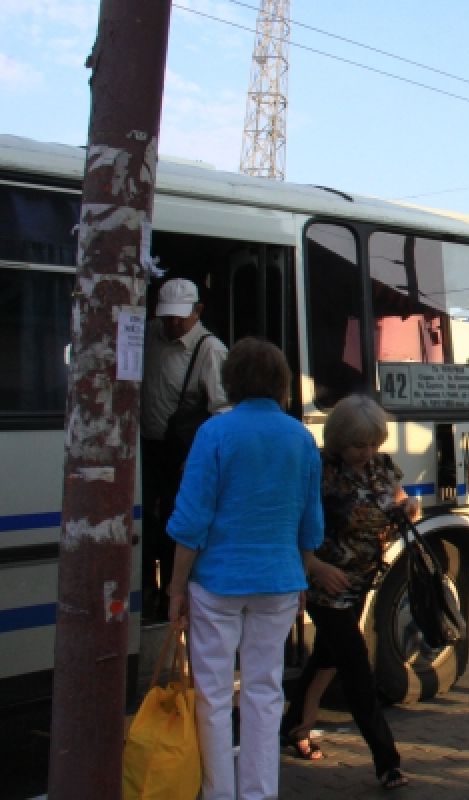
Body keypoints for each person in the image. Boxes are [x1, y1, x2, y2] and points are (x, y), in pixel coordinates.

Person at [166, 337, 324, 800]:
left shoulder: (214, 433)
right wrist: (302, 572)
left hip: (217, 581)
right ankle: (259, 792)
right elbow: (310, 521)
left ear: (230, 381)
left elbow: (191, 520)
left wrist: (175, 589)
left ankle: (218, 792)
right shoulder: (300, 437)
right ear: (281, 383)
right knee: (264, 690)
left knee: (213, 695)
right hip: (278, 581)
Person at [280, 394, 419, 791]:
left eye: (373, 444)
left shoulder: (382, 467)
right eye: (359, 445)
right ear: (339, 439)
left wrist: (409, 507)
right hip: (326, 585)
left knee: (327, 656)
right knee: (356, 667)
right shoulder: (320, 470)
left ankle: (295, 725)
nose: (367, 452)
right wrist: (314, 566)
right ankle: (387, 761)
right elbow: (293, 523)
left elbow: (399, 500)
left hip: (363, 580)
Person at [141, 276, 228, 621]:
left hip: (182, 453)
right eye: (168, 316)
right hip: (147, 447)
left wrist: (198, 458)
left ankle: (170, 597)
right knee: (144, 525)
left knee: (174, 525)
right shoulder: (150, 333)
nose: (173, 323)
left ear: (198, 311)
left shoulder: (210, 349)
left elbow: (222, 411)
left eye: (180, 317)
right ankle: (147, 593)